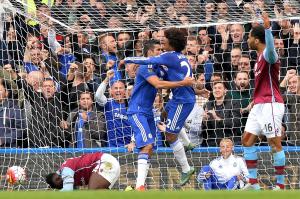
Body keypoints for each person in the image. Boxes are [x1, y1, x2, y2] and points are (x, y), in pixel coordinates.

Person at [125, 28, 196, 186]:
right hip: (137, 111)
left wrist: (192, 87)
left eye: (161, 48)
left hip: (151, 111)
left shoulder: (162, 66)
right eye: (157, 50)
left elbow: (175, 79)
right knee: (150, 143)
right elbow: (160, 84)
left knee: (153, 145)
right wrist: (129, 60)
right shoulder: (146, 67)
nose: (161, 52)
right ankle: (139, 187)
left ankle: (186, 147)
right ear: (150, 52)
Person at [242, 13, 285, 190]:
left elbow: (273, 52)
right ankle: (253, 183)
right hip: (259, 105)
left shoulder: (268, 55)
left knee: (274, 143)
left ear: (257, 40)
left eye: (250, 36)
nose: (248, 39)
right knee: (247, 140)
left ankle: (280, 186)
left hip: (271, 105)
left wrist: (268, 29)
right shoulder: (257, 59)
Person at [45, 152, 120, 191]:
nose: (59, 179)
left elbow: (68, 190)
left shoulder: (65, 169)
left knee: (92, 191)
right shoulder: (68, 174)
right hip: (109, 164)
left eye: (57, 178)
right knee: (98, 193)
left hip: (106, 162)